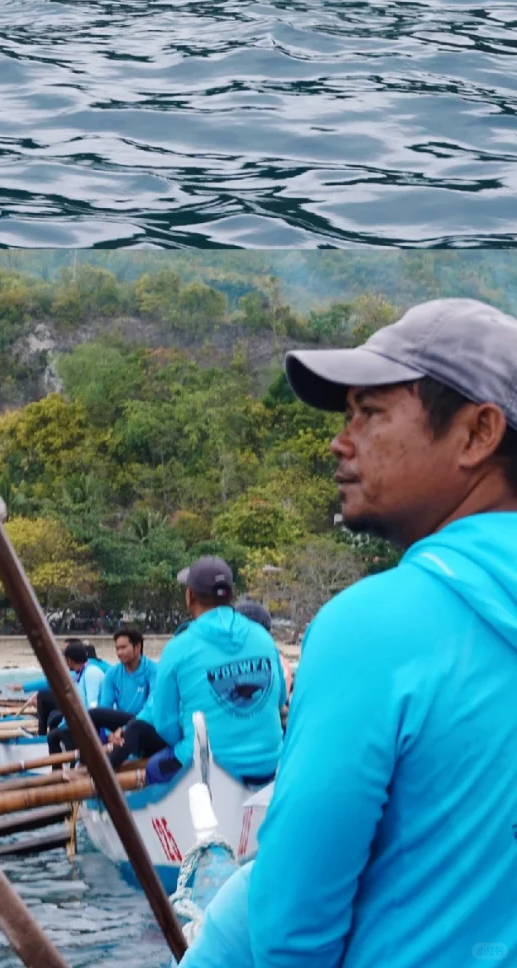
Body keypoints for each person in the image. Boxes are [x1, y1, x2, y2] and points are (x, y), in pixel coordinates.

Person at [245, 297, 517, 968]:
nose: (341, 441)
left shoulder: (374, 628)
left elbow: (288, 936)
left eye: (370, 413)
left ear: (479, 433)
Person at [124, 558, 285, 785]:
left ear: (190, 596)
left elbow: (165, 724)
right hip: (269, 763)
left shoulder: (178, 647)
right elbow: (278, 701)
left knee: (154, 768)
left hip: (209, 768)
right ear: (231, 594)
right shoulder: (262, 637)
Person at [89, 625, 159, 753]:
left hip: (145, 723)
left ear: (137, 647)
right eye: (117, 648)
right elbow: (105, 706)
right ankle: (87, 761)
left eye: (123, 647)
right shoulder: (112, 674)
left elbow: (151, 708)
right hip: (121, 726)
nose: (119, 652)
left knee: (135, 728)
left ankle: (103, 768)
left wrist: (126, 729)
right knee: (92, 715)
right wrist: (110, 734)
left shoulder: (153, 670)